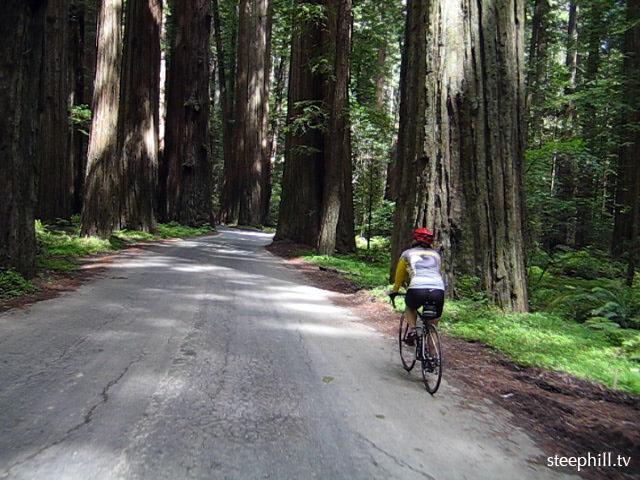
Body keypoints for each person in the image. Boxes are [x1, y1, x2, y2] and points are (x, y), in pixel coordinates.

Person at [389, 228, 445, 344]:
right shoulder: (436, 255)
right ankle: (433, 359)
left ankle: (413, 330)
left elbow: (399, 276)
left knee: (410, 307)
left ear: (415, 239)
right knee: (432, 328)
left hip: (417, 288)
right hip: (438, 290)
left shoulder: (407, 254)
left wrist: (395, 290)